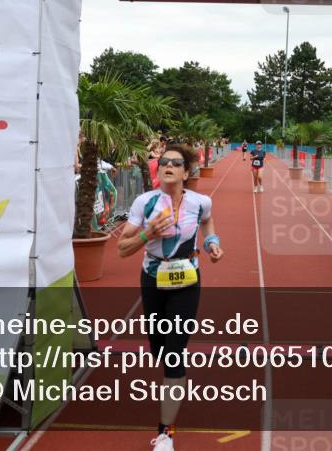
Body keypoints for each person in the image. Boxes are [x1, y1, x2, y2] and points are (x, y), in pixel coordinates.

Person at [116, 143, 224, 450]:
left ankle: (166, 433)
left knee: (175, 354)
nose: (169, 166)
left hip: (187, 281)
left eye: (176, 163)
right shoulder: (145, 202)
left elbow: (207, 224)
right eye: (164, 162)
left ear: (186, 172)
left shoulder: (201, 202)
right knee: (159, 349)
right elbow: (122, 249)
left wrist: (213, 243)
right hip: (153, 279)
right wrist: (148, 234)